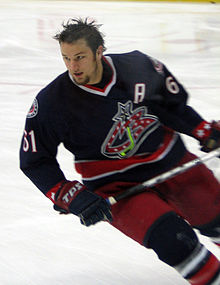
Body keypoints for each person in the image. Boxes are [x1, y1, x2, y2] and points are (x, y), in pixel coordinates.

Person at [19, 18, 220, 284]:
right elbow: (35, 161)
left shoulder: (138, 67)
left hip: (171, 162)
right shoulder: (52, 102)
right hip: (116, 187)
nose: (73, 67)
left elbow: (172, 107)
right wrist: (69, 195)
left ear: (99, 51)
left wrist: (204, 130)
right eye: (66, 58)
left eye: (80, 57)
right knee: (174, 242)